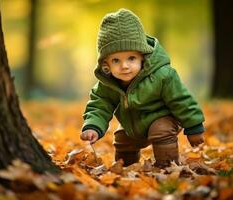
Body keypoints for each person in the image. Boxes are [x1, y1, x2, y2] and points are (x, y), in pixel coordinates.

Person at [80, 8, 205, 168]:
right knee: (122, 139)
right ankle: (126, 168)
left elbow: (181, 100)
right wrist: (93, 126)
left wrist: (194, 127)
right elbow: (100, 105)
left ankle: (168, 166)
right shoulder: (108, 84)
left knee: (160, 130)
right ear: (106, 65)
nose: (124, 66)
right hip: (132, 125)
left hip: (162, 119)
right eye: (116, 60)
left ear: (142, 57)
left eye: (131, 58)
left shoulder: (163, 75)